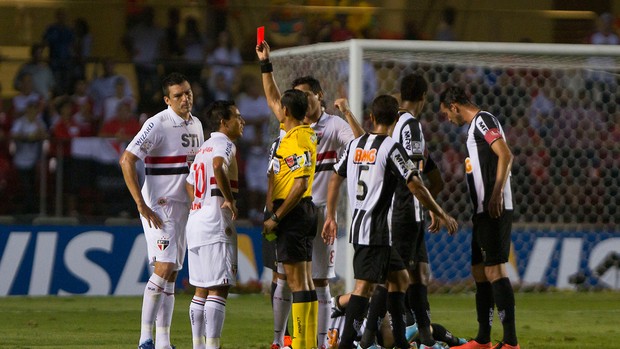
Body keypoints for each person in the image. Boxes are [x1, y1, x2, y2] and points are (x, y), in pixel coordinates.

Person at [322, 95, 458, 349]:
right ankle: (347, 345)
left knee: (400, 279)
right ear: (396, 119)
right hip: (372, 231)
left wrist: (331, 215)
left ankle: (400, 343)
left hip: (375, 232)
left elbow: (334, 179)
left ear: (371, 118)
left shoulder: (354, 145)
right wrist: (441, 212)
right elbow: (416, 185)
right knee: (364, 287)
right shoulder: (390, 148)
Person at [256, 40, 365, 349]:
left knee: (319, 281)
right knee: (284, 279)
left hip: (315, 213)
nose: (301, 100)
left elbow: (362, 145)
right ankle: (280, 340)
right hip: (294, 210)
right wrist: (266, 64)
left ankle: (319, 342)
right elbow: (272, 96)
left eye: (305, 94)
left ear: (319, 96)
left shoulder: (333, 126)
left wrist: (347, 112)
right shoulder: (289, 126)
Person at [119, 72, 204, 349]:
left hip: (184, 208)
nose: (185, 98)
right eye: (178, 95)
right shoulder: (157, 123)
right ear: (168, 100)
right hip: (160, 205)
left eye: (187, 92)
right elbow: (127, 159)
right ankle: (145, 338)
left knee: (172, 274)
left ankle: (164, 342)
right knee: (163, 267)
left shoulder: (198, 125)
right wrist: (140, 204)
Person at [439, 86, 519, 349]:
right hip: (482, 211)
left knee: (495, 269)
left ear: (454, 105)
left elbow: (506, 154)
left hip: (494, 207)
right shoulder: (474, 128)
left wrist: (496, 193)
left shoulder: (483, 120)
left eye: (447, 114)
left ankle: (510, 342)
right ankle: (483, 339)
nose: (448, 120)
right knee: (479, 271)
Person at [257, 40, 318, 349]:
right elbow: (272, 95)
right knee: (304, 281)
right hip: (305, 211)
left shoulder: (295, 140)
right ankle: (306, 342)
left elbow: (298, 183)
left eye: (281, 105)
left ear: (287, 112)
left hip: (292, 212)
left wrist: (276, 217)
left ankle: (297, 342)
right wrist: (265, 64)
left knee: (293, 282)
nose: (276, 106)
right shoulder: (303, 134)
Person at [391, 73, 446, 349]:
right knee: (399, 278)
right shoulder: (410, 125)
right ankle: (393, 336)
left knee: (419, 273)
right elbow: (412, 177)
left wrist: (428, 206)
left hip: (412, 211)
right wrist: (433, 207)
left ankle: (424, 337)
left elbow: (434, 178)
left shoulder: (394, 123)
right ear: (423, 97)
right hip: (403, 210)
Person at [185, 100, 244, 349]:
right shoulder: (224, 144)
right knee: (219, 289)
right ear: (224, 122)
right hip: (215, 222)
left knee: (200, 289)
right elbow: (219, 166)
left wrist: (199, 202)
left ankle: (199, 345)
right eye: (237, 117)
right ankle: (212, 346)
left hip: (197, 219)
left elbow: (189, 183)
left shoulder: (204, 147)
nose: (242, 122)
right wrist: (228, 200)